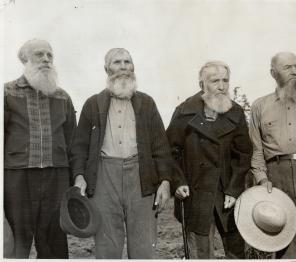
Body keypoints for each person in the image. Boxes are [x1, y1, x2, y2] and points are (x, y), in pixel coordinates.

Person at [70, 48, 172, 259]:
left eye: (127, 62)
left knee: (144, 246)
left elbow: (160, 146)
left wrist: (165, 181)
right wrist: (79, 176)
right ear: (107, 68)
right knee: (107, 246)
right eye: (117, 62)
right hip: (104, 177)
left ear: (133, 67)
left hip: (140, 176)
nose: (123, 66)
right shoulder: (92, 104)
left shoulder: (147, 103)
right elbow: (79, 146)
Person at [166, 61, 252, 259]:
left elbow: (243, 155)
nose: (221, 86)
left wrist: (234, 189)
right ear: (201, 84)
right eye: (215, 81)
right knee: (199, 254)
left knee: (236, 252)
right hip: (195, 195)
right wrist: (178, 182)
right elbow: (170, 151)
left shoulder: (236, 112)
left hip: (227, 196)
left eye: (225, 80)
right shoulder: (184, 111)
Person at [4, 39, 76, 258]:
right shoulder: (7, 92)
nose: (46, 59)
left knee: (54, 241)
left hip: (56, 177)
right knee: (17, 241)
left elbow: (72, 141)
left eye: (49, 55)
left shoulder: (62, 96)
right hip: (17, 177)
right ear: (25, 59)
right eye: (39, 55)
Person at [249, 52, 296, 259]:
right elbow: (257, 150)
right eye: (288, 67)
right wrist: (262, 179)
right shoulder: (259, 106)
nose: (294, 71)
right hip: (277, 177)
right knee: (284, 243)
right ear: (273, 73)